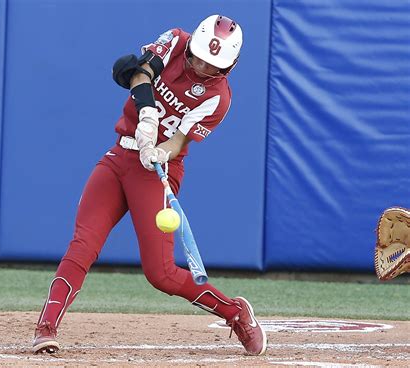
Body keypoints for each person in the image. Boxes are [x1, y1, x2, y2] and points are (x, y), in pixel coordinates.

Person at [32, 14, 267, 356]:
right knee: (83, 243)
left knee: (162, 274)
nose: (201, 66)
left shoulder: (220, 99)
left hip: (158, 168)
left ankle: (235, 312)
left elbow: (180, 141)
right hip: (119, 157)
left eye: (211, 65)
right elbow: (140, 71)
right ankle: (47, 326)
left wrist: (161, 149)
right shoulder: (175, 40)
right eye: (198, 57)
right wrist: (146, 114)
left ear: (229, 66)